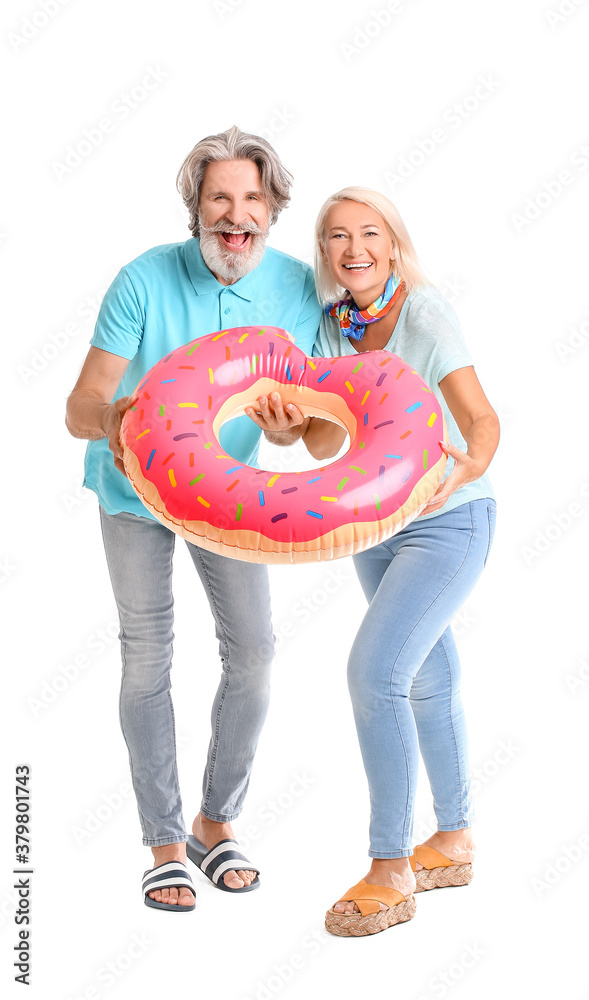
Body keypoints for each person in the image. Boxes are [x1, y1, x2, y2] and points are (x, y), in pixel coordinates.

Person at [65, 126, 320, 911]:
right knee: (148, 657)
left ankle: (216, 822)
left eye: (250, 200)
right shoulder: (143, 280)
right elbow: (77, 407)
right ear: (196, 208)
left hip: (228, 491)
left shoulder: (299, 288)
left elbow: (308, 426)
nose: (234, 216)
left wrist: (285, 429)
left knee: (255, 651)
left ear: (272, 210)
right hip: (132, 489)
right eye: (219, 199)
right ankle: (164, 843)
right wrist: (117, 421)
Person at [245, 187, 499, 936]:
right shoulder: (328, 332)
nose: (352, 249)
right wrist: (291, 426)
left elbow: (482, 418)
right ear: (323, 254)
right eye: (335, 237)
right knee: (427, 674)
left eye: (367, 234)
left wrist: (463, 467)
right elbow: (329, 445)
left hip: (450, 519)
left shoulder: (423, 311)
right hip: (375, 525)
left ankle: (389, 865)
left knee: (374, 673)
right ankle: (452, 838)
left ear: (392, 245)